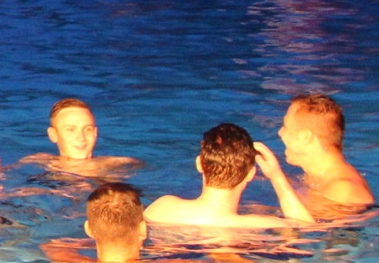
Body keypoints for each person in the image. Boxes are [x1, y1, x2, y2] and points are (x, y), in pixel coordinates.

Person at [143, 122, 316, 229]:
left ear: (199, 164)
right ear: (250, 174)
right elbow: (307, 227)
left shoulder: (162, 208)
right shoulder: (257, 225)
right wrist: (277, 177)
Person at [278, 94, 373, 212]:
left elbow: (302, 223)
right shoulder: (315, 177)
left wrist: (277, 178)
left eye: (286, 127)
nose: (280, 133)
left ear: (306, 137)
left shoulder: (346, 191)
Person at [19, 97, 134, 177]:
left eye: (87, 129)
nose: (81, 138)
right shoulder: (36, 162)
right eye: (71, 129)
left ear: (95, 133)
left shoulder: (118, 165)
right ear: (53, 135)